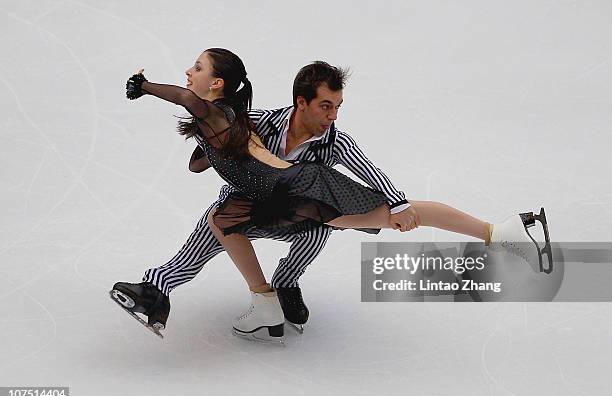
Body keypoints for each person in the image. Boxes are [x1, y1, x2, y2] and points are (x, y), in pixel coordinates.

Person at [111, 49, 551, 341]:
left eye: (337, 107)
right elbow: (211, 127)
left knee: (365, 219)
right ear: (301, 102)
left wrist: (395, 204)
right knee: (219, 219)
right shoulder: (258, 121)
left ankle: (501, 232)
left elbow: (368, 169)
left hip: (305, 202)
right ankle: (180, 291)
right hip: (263, 201)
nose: (333, 115)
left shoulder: (333, 143)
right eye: (326, 106)